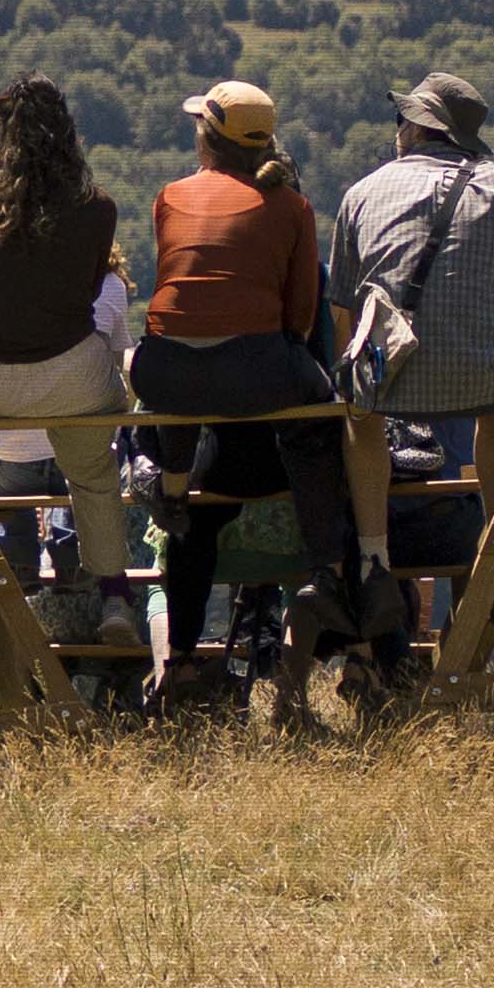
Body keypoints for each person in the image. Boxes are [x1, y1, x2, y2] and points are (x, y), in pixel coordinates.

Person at [130, 78, 364, 720]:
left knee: (179, 411)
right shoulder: (290, 205)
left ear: (206, 137)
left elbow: (180, 300)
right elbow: (299, 316)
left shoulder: (171, 197)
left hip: (165, 368)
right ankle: (325, 563)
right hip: (260, 367)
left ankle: (172, 489)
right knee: (321, 416)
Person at [331, 68, 494, 640]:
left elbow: (343, 315)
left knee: (361, 412)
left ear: (412, 128)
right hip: (481, 375)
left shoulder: (361, 194)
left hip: (391, 378)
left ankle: (375, 560)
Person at [0, 73, 141, 658]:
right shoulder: (96, 209)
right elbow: (85, 296)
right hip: (70, 375)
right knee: (94, 476)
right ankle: (112, 599)